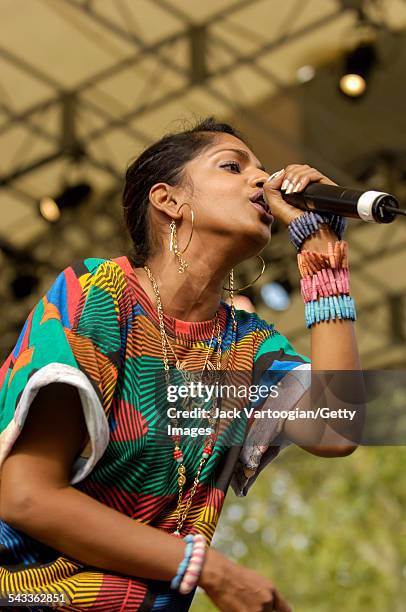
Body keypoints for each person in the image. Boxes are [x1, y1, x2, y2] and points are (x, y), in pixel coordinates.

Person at [0, 118, 362, 612]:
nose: (263, 179)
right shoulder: (100, 297)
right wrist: (210, 567)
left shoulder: (247, 344)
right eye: (233, 167)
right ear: (169, 200)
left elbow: (337, 432)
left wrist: (323, 259)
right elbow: (24, 496)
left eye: (262, 169)